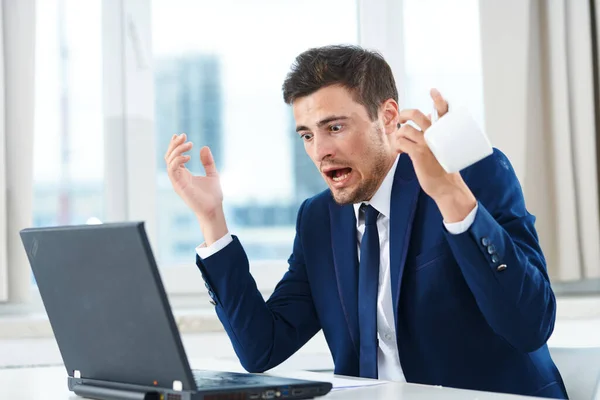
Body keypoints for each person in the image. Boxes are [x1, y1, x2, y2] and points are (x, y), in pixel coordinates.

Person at [164, 45, 567, 399]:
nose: (320, 151)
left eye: (334, 127)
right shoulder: (318, 219)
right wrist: (212, 220)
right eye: (306, 135)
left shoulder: (468, 175)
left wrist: (452, 198)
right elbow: (261, 348)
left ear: (387, 116)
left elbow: (529, 325)